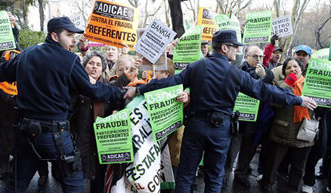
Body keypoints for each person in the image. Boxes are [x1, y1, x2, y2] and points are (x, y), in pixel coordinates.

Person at [124, 30, 317, 193]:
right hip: (220, 130)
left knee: (186, 175)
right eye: (235, 47)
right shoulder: (235, 73)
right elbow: (265, 91)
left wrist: (139, 88)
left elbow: (169, 83)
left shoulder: (196, 66)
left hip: (195, 127)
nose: (237, 51)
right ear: (224, 48)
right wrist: (298, 99)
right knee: (215, 178)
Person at [0, 17, 129, 193]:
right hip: (55, 135)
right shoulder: (69, 59)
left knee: (16, 184)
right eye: (69, 35)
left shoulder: (27, 54)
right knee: (73, 183)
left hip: (25, 132)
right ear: (55, 36)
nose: (74, 40)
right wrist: (119, 93)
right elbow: (93, 89)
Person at [259, 58, 317, 193]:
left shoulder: (311, 85)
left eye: (295, 66)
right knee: (272, 164)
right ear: (284, 72)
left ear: (301, 69)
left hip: (304, 133)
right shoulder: (279, 85)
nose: (292, 69)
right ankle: (266, 186)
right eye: (288, 68)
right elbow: (275, 103)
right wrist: (288, 84)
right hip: (282, 130)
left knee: (298, 168)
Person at [70, 50, 121, 192]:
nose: (94, 67)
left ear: (102, 69)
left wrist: (116, 110)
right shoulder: (76, 87)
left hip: (101, 142)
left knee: (98, 179)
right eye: (91, 63)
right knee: (76, 179)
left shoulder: (109, 89)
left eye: (98, 64)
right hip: (80, 141)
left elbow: (118, 100)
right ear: (84, 67)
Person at [224, 45, 274, 188]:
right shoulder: (237, 71)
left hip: (255, 122)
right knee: (231, 153)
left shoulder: (267, 73)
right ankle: (224, 178)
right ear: (246, 57)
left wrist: (264, 77)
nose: (259, 59)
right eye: (255, 56)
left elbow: (270, 91)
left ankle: (241, 174)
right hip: (238, 121)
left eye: (261, 56)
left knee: (248, 152)